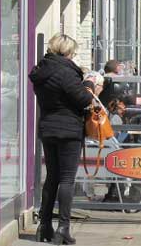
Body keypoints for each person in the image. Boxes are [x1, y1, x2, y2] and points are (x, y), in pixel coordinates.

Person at [30, 34, 96, 245]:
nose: (72, 56)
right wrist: (89, 84)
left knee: (52, 177)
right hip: (68, 130)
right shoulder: (66, 72)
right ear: (66, 52)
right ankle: (63, 228)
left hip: (48, 128)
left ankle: (44, 225)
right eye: (72, 53)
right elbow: (84, 98)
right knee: (67, 179)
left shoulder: (41, 71)